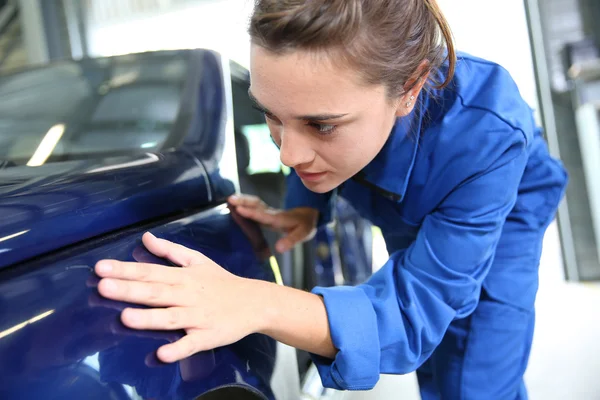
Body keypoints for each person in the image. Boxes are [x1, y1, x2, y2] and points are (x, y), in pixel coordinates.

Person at [94, 1, 568, 398]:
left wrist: (257, 303)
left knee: (474, 369)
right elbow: (307, 130)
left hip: (505, 208)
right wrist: (305, 210)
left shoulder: (486, 131)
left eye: (321, 125)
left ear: (410, 90)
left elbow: (414, 312)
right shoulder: (343, 115)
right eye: (272, 116)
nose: (287, 154)